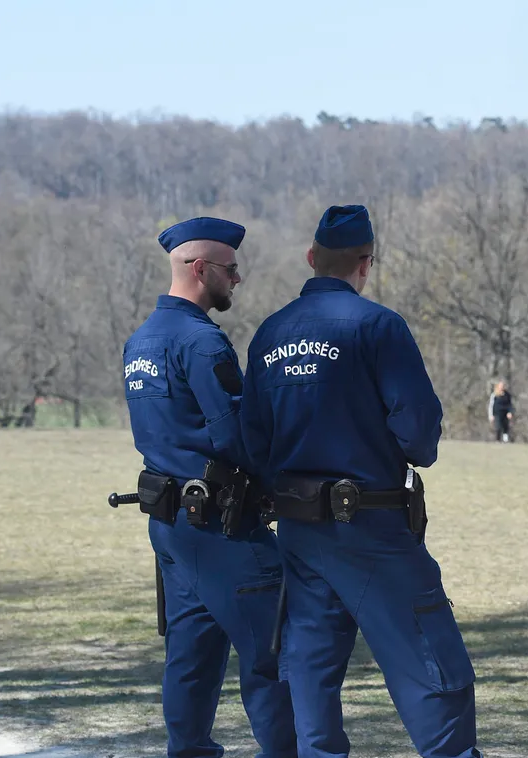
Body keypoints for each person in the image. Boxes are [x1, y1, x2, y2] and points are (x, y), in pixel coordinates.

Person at [240, 205, 481, 758]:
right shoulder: (377, 327)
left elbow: (254, 438)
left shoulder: (270, 333)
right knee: (429, 660)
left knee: (309, 672)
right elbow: (418, 432)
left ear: (311, 258)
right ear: (365, 263)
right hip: (370, 525)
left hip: (299, 532)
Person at [122, 217, 296, 758]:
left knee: (190, 660)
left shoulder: (141, 340)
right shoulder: (201, 343)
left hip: (172, 526)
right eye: (230, 268)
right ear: (201, 269)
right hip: (224, 529)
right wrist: (277, 486)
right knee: (275, 655)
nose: (237, 278)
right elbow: (235, 433)